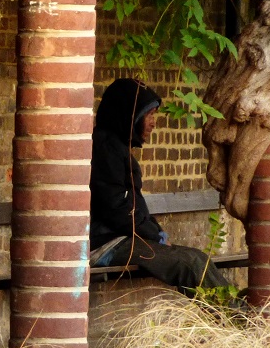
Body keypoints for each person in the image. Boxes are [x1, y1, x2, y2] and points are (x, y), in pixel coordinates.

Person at [89, 78, 236, 298]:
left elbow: (134, 205)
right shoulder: (104, 149)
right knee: (189, 264)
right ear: (131, 115)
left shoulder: (115, 148)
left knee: (197, 259)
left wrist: (157, 232)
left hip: (121, 238)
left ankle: (235, 315)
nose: (153, 122)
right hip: (106, 244)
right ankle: (236, 319)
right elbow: (117, 209)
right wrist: (154, 235)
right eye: (149, 115)